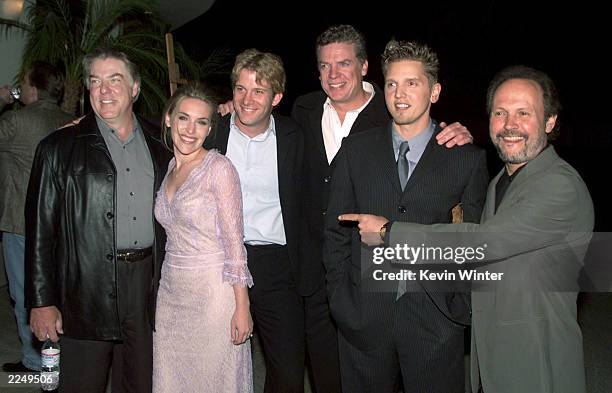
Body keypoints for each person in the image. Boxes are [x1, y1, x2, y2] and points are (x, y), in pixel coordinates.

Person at [341, 65, 594, 393]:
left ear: (550, 121)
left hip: (534, 354)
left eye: (523, 113)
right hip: (493, 349)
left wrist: (391, 233)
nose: (510, 125)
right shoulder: (503, 180)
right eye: (500, 113)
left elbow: (484, 242)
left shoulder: (559, 185)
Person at [290, 25, 475, 392]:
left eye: (343, 63)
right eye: (392, 84)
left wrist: (458, 306)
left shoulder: (459, 154)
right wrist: (342, 301)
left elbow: (473, 239)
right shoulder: (312, 116)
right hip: (358, 305)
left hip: (432, 316)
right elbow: (334, 230)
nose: (400, 93)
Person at [25, 47, 171, 393]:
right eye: (95, 81)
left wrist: (226, 110)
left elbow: (203, 134)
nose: (104, 90)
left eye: (115, 80)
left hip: (146, 287)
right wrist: (41, 301)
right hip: (83, 286)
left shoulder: (162, 143)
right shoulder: (58, 148)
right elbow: (40, 232)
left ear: (135, 88)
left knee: (139, 382)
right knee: (80, 383)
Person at [204, 49, 305, 393]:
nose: (247, 99)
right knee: (216, 367)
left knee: (288, 373)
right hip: (218, 262)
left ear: (276, 97)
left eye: (258, 91)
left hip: (275, 265)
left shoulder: (295, 138)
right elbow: (166, 134)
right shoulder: (212, 130)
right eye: (241, 89)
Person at [152, 83, 253, 392]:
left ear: (210, 128)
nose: (190, 130)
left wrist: (242, 306)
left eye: (201, 122)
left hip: (213, 296)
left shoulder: (219, 169)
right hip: (171, 294)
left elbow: (235, 244)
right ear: (169, 119)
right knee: (172, 378)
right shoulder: (169, 167)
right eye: (183, 118)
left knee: (216, 379)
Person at [0, 62, 72, 373]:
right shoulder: (70, 121)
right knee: (54, 295)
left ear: (32, 88)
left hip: (21, 225)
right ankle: (56, 359)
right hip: (61, 226)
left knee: (25, 295)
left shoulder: (17, 122)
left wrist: (2, 99)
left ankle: (35, 362)